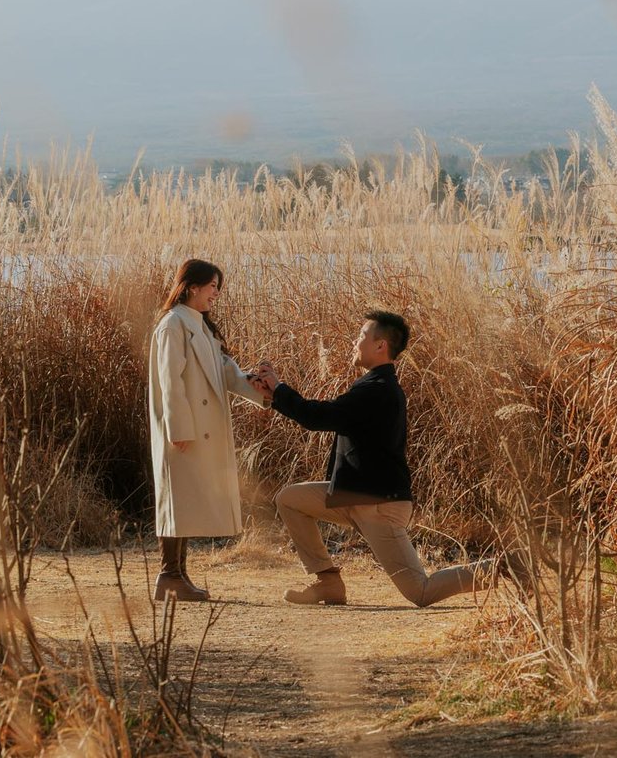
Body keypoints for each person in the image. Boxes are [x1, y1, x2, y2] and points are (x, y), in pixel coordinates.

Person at [251, 310, 493, 607]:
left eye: (361, 336)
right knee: (290, 499)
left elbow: (318, 417)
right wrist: (274, 396)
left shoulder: (377, 390)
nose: (355, 342)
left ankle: (503, 567)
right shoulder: (373, 386)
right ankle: (328, 583)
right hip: (354, 497)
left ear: (380, 345)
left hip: (379, 506)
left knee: (421, 592)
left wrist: (279, 389)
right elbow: (321, 416)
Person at [148, 258, 266, 601]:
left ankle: (176, 575)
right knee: (176, 499)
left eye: (218, 287)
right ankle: (169, 575)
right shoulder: (173, 325)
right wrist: (179, 428)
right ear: (192, 287)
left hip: (197, 429)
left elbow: (225, 372)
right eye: (212, 286)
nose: (216, 293)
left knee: (183, 500)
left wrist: (259, 389)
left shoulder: (197, 325)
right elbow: (170, 381)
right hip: (183, 430)